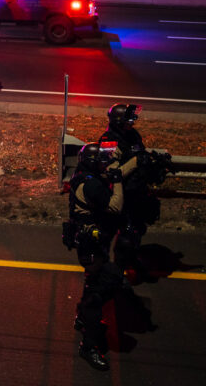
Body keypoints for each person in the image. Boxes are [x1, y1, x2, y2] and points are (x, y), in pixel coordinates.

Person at [65, 142, 135, 371]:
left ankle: (82, 316)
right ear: (94, 164)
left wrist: (130, 161)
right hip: (91, 247)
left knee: (94, 283)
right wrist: (117, 182)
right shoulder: (93, 185)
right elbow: (115, 207)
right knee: (100, 292)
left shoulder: (82, 175)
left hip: (90, 244)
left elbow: (110, 168)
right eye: (102, 160)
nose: (106, 163)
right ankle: (89, 346)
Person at [98, 104, 159, 270]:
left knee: (135, 231)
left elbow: (141, 153)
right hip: (119, 195)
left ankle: (128, 261)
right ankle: (109, 269)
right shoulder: (108, 141)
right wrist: (135, 162)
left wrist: (152, 161)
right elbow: (109, 172)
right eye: (128, 121)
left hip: (136, 193)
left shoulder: (132, 135)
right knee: (112, 234)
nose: (132, 123)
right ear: (118, 122)